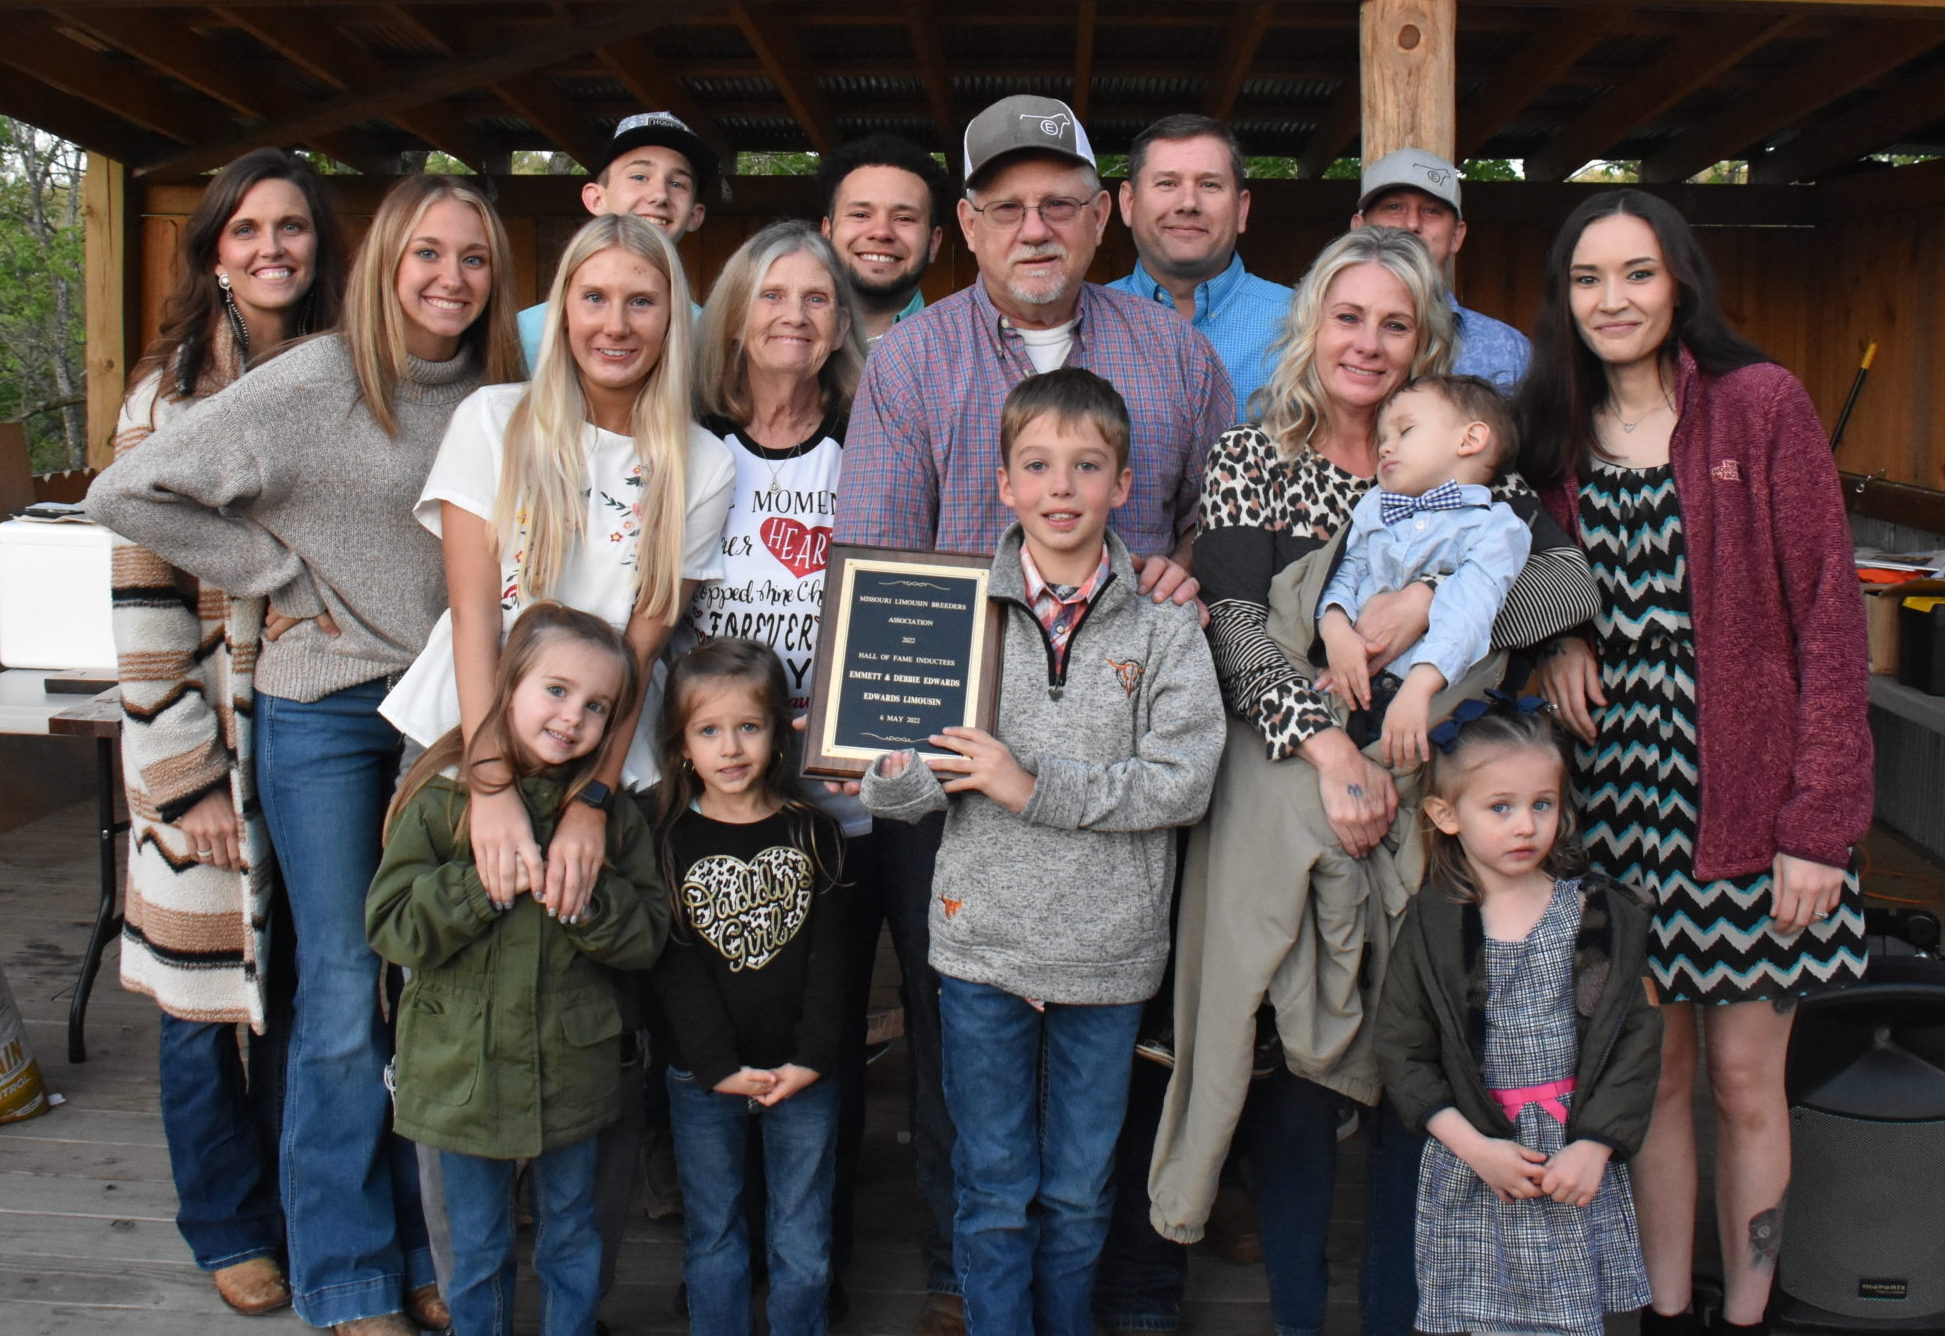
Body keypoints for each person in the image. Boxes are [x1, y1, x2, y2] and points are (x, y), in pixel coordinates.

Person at [87, 172, 523, 1336]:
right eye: (426, 252)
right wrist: (280, 572)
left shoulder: (502, 395)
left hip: (447, 718)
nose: (449, 277)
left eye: (473, 256)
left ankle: (427, 1247)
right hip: (323, 709)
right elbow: (128, 491)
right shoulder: (317, 378)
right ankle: (346, 1272)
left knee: (428, 984)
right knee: (338, 988)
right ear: (383, 262)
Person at [1145, 225, 1599, 1336]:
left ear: (1424, 342)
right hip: (1295, 768)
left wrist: (1428, 605)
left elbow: (1566, 586)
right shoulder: (1255, 456)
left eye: (1395, 325)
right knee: (1297, 1051)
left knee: (1420, 1055)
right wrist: (1329, 749)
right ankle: (1298, 1310)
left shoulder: (1462, 467)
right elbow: (1237, 627)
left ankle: (1402, 1306)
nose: (1368, 343)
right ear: (1312, 328)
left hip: (1428, 782)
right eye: (1347, 318)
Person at [834, 98, 1230, 1333]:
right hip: (961, 762)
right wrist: (885, 737)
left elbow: (1221, 525)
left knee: (1117, 1057)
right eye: (1005, 206)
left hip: (1115, 760)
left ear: (1103, 213)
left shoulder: (1172, 355)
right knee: (963, 1049)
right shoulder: (913, 359)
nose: (1035, 226)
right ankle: (965, 1282)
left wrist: (1186, 571)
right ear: (965, 224)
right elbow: (878, 559)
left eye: (1060, 202)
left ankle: (1112, 1287)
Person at [1520, 189, 1872, 1336]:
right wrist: (1557, 634)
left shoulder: (1757, 405)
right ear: (1564, 298)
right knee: (1653, 1080)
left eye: (1636, 273)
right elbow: (1506, 569)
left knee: (1743, 1081)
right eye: (1587, 278)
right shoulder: (1552, 431)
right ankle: (1667, 1310)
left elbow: (1830, 619)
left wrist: (1820, 823)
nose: (1611, 299)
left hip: (1752, 800)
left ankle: (1747, 1313)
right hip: (1614, 798)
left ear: (1679, 283)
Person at [378, 209, 734, 1314]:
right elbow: (475, 615)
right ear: (560, 309)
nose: (615, 323)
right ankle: (462, 1281)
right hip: (466, 741)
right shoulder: (496, 419)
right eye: (594, 297)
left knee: (584, 999)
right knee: (454, 999)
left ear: (672, 317)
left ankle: (576, 1279)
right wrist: (488, 785)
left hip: (604, 756)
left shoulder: (701, 461)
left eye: (642, 300)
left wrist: (589, 801)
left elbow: (642, 650)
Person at [105, 146, 344, 1319]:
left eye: (290, 227)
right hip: (199, 722)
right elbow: (142, 592)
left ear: (320, 245)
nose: (270, 248)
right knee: (202, 1000)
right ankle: (226, 1221)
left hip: (309, 715)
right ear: (212, 252)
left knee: (303, 989)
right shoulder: (164, 399)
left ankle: (305, 1209)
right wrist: (186, 774)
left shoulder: (343, 372)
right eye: (246, 230)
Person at [367, 602, 668, 1336]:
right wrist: (480, 884)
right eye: (556, 690)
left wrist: (588, 902)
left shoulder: (610, 820)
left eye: (597, 707)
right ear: (505, 687)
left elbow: (647, 939)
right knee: (475, 1252)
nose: (573, 717)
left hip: (573, 1076)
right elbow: (392, 926)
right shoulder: (440, 801)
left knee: (573, 1240)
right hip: (460, 1077)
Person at [1376, 698, 1661, 1336]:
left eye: (1542, 804)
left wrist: (1594, 1146)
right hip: (1477, 1161)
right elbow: (1402, 1049)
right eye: (1500, 807)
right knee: (1477, 1319)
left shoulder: (1595, 919)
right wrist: (1474, 1147)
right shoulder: (1434, 925)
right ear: (1446, 815)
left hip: (1568, 1162)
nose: (1526, 826)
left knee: (1565, 1319)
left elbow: (1633, 1042)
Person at [648, 638, 849, 1336]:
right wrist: (716, 1066)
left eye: (748, 727)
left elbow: (833, 960)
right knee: (714, 1233)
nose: (730, 748)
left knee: (803, 1238)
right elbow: (675, 970)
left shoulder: (814, 833)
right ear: (681, 746)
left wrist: (811, 1058)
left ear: (778, 734)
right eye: (708, 730)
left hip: (803, 1075)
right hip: (704, 1077)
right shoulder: (669, 841)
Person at [1317, 374, 1530, 766]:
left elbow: (1470, 609)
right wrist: (1335, 629)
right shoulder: (1377, 506)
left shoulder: (1495, 527)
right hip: (1342, 689)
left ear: (1470, 439)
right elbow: (1346, 572)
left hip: (1427, 697)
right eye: (1383, 438)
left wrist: (1419, 686)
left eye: (1405, 431)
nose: (1385, 447)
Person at [1108, 113, 1292, 411]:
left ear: (1241, 209)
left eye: (1209, 185)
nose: (1189, 203)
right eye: (1167, 183)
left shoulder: (1303, 323)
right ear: (1128, 203)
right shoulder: (1082, 323)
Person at [518, 110, 718, 366]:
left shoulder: (709, 340)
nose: (660, 195)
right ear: (596, 198)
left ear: (695, 215)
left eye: (677, 183)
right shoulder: (521, 335)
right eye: (639, 177)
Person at [1352, 149, 1529, 389]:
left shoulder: (1507, 349)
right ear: (1359, 228)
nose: (1412, 223)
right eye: (1394, 207)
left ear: (1456, 236)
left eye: (1431, 210)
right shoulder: (1315, 334)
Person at [816, 133, 950, 347]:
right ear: (827, 232)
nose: (881, 232)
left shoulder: (966, 352)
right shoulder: (784, 345)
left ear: (934, 243)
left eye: (904, 218)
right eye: (860, 214)